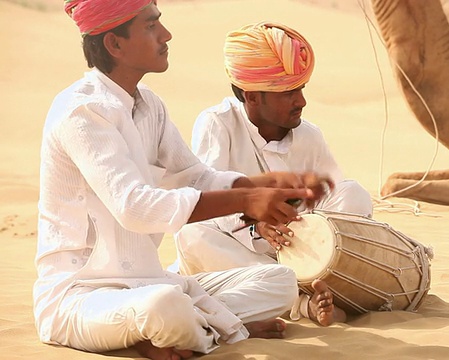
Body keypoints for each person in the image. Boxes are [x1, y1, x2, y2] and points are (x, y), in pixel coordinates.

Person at [34, 2, 332, 360]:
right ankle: (212, 329)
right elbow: (135, 208)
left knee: (280, 283)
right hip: (80, 297)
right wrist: (245, 202)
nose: (166, 35)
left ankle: (182, 334)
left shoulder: (149, 107)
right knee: (164, 307)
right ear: (115, 44)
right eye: (151, 27)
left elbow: (196, 176)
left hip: (149, 280)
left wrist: (264, 187)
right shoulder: (82, 111)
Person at [171, 22, 373, 326]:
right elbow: (206, 200)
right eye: (288, 93)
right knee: (191, 235)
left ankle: (313, 288)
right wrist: (256, 226)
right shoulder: (217, 123)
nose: (301, 102)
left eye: (301, 89)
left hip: (303, 253)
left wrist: (305, 230)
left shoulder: (310, 137)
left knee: (354, 193)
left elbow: (332, 213)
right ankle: (301, 302)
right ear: (252, 96)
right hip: (241, 253)